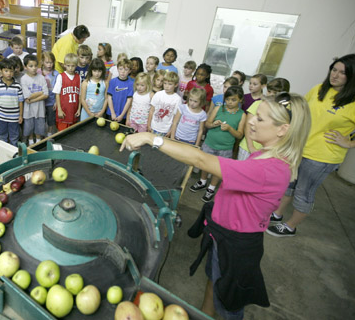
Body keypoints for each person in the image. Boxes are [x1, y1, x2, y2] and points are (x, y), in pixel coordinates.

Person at [120, 92, 311, 320]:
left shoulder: (272, 169)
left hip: (236, 246)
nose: (251, 120)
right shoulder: (264, 154)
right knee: (213, 280)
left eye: (260, 119)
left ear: (283, 129)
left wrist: (152, 138)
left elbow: (202, 161)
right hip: (221, 233)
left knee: (228, 304)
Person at [267, 54, 355, 237]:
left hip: (322, 158)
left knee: (304, 192)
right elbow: (302, 113)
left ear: (353, 75)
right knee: (289, 184)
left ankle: (290, 226)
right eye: (333, 69)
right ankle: (277, 213)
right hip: (300, 149)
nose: (335, 75)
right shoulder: (319, 89)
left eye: (342, 73)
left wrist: (351, 144)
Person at [190, 86, 246, 202]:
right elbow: (207, 124)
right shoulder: (218, 108)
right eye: (227, 99)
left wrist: (230, 129)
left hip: (225, 148)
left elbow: (240, 135)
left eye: (233, 100)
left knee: (218, 169)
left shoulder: (242, 115)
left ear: (240, 100)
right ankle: (202, 181)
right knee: (205, 164)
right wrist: (214, 124)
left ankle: (211, 188)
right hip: (210, 143)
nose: (230, 102)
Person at [238, 78, 290, 161]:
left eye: (275, 93)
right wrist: (251, 147)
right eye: (269, 91)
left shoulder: (285, 110)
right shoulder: (258, 104)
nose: (271, 95)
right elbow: (248, 126)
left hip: (268, 151)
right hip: (248, 148)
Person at [0, 58, 24, 145]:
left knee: (14, 137)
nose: (9, 73)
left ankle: (14, 154)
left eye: (11, 71)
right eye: (6, 71)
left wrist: (20, 115)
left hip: (14, 117)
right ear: (1, 71)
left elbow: (21, 102)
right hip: (1, 117)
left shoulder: (17, 86)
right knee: (2, 136)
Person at [20, 55, 48, 144]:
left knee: (39, 126)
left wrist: (32, 100)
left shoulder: (41, 78)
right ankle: (31, 140)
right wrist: (40, 93)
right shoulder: (23, 79)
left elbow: (46, 94)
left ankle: (38, 140)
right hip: (28, 111)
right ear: (25, 67)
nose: (34, 68)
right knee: (29, 126)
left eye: (36, 66)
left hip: (40, 109)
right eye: (31, 66)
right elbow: (27, 96)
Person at [147, 71, 182, 136]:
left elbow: (175, 118)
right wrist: (148, 124)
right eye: (165, 83)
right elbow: (151, 111)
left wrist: (171, 130)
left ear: (176, 85)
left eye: (170, 84)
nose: (166, 86)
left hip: (165, 130)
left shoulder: (177, 99)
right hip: (153, 127)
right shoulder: (158, 94)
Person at [53, 53, 81, 131]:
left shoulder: (78, 77)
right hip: (64, 111)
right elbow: (57, 94)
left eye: (73, 66)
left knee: (73, 133)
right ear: (64, 65)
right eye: (68, 66)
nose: (70, 68)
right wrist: (59, 110)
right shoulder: (60, 76)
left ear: (76, 66)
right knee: (62, 132)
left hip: (74, 111)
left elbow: (80, 95)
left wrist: (79, 109)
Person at [106, 58, 134, 123]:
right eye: (121, 69)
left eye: (126, 69)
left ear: (130, 71)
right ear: (117, 69)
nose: (123, 72)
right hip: (110, 113)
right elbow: (109, 98)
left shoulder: (131, 84)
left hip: (122, 115)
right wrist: (112, 113)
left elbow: (129, 101)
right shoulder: (112, 81)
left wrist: (122, 115)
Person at [41, 51, 59, 136]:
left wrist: (56, 101)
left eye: (51, 62)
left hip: (51, 101)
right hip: (40, 101)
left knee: (51, 119)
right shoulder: (38, 72)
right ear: (42, 62)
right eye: (47, 62)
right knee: (41, 119)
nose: (49, 65)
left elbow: (58, 89)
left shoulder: (56, 74)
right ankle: (40, 134)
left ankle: (49, 133)